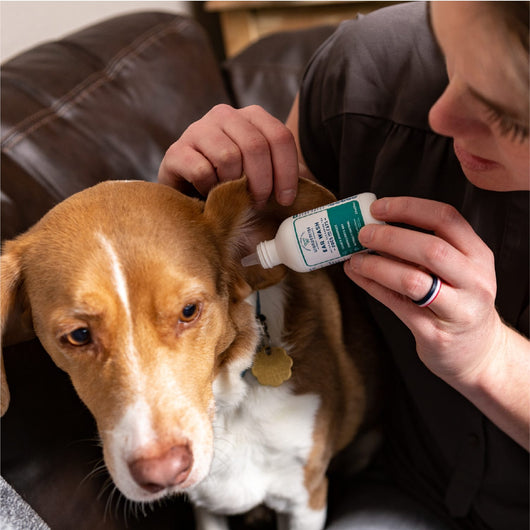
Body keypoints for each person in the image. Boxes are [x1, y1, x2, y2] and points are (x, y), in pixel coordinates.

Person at [158, 2, 529, 529]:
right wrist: (189, 225)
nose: (440, 116)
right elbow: (263, 250)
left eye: (509, 116)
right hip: (398, 478)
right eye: (450, 55)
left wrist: (489, 357)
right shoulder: (366, 73)